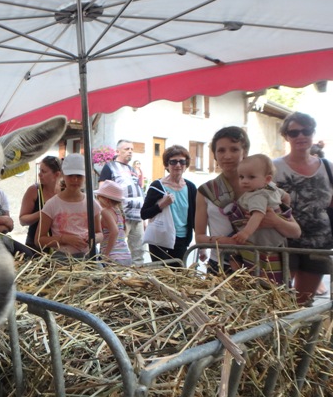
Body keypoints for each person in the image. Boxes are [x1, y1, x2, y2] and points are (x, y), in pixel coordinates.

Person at [195, 127, 301, 276]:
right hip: (223, 266)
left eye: (234, 149)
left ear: (244, 152)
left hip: (266, 267)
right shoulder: (205, 191)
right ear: (214, 155)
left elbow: (295, 231)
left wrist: (275, 221)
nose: (227, 156)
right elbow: (199, 237)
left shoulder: (266, 188)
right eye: (221, 150)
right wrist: (221, 241)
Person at [273, 112, 333, 304]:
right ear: (286, 136)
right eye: (294, 132)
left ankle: (301, 335)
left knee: (304, 302)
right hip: (283, 243)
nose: (300, 136)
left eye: (306, 131)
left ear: (312, 133)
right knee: (277, 300)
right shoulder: (274, 168)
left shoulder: (328, 167)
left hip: (318, 243)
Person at [36, 153, 102, 258]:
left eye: (79, 176)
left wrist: (93, 238)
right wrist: (64, 239)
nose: (74, 180)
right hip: (62, 258)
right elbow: (39, 239)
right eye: (70, 176)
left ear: (85, 177)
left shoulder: (92, 203)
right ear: (63, 175)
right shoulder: (52, 204)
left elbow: (100, 233)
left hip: (89, 257)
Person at [141, 145, 197, 262]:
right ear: (167, 165)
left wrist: (201, 245)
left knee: (178, 274)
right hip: (160, 238)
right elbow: (144, 214)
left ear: (186, 165)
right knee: (161, 274)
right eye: (173, 162)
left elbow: (195, 217)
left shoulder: (191, 187)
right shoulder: (157, 186)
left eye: (182, 161)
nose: (178, 165)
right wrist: (161, 205)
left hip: (181, 239)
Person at [98, 139, 145, 265]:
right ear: (118, 151)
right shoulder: (110, 167)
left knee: (139, 250)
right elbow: (103, 188)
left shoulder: (133, 169)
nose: (130, 152)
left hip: (137, 214)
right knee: (117, 244)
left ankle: (138, 280)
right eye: (126, 149)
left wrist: (144, 218)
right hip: (122, 213)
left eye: (131, 149)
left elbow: (139, 189)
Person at [19, 155, 62, 252]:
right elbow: (22, 220)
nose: (39, 174)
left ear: (56, 174)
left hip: (60, 248)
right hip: (35, 248)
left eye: (44, 171)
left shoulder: (64, 191)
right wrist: (43, 213)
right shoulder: (34, 190)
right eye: (39, 170)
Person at [94, 180, 131, 265]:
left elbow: (114, 232)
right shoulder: (118, 212)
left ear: (105, 199)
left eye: (98, 197)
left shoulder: (105, 211)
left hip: (113, 257)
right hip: (125, 255)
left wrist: (106, 254)